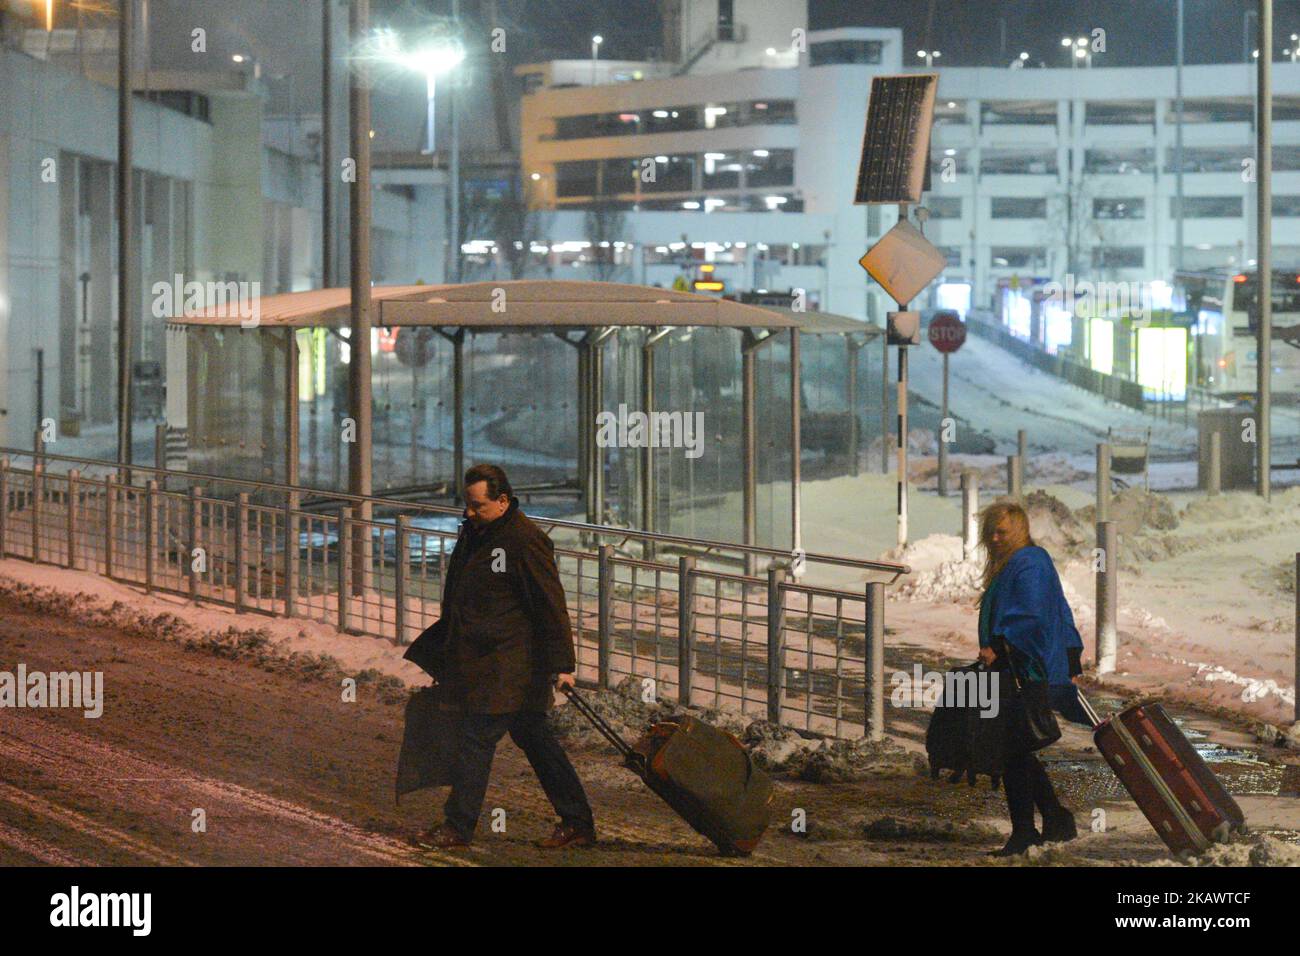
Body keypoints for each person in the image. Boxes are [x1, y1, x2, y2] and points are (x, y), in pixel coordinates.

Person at [404, 463, 596, 849]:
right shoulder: (478, 532)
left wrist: (563, 665)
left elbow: (550, 605)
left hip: (510, 665)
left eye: (478, 506)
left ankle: (457, 826)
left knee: (475, 739)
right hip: (486, 661)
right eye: (467, 505)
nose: (469, 513)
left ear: (503, 500)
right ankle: (577, 821)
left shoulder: (524, 541)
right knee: (536, 738)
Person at [975, 501, 1091, 856]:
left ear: (1020, 530)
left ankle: (1027, 832)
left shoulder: (1028, 562)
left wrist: (1000, 644)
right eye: (990, 532)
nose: (994, 538)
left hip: (1026, 670)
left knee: (1014, 751)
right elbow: (1059, 607)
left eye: (1001, 532)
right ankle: (1054, 820)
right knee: (1018, 750)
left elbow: (1032, 614)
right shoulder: (1026, 561)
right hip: (1025, 667)